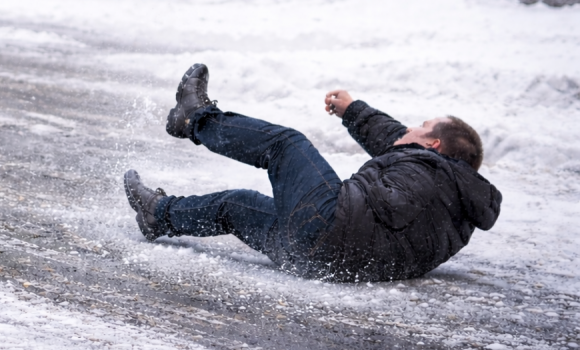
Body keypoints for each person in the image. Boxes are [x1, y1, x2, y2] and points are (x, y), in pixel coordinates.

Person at [124, 64, 502, 282]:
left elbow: (397, 148)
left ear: (433, 144)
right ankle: (158, 215)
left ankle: (196, 119)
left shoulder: (430, 173)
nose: (411, 128)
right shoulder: (451, 199)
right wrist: (353, 110)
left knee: (286, 145)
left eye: (422, 125)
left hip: (330, 229)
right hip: (323, 262)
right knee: (237, 205)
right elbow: (395, 143)